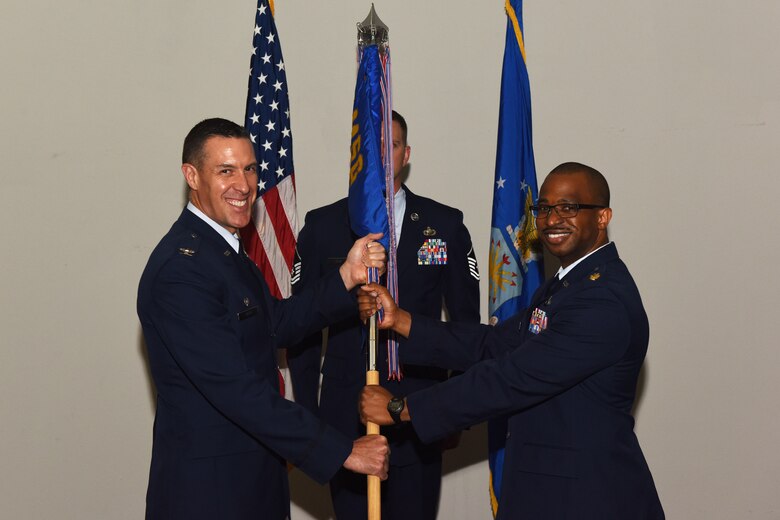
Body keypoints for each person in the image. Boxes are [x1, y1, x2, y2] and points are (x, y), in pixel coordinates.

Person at [359, 162, 665, 519]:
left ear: (602, 216)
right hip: (546, 491)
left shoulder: (602, 300)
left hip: (588, 497)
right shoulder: (567, 285)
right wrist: (401, 320)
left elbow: (510, 378)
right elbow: (493, 344)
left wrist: (401, 408)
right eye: (544, 208)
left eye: (568, 207)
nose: (552, 219)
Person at [137, 118, 389, 520]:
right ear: (192, 176)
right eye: (226, 171)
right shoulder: (181, 271)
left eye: (250, 169)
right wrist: (341, 450)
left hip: (252, 481)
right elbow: (235, 389)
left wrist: (346, 276)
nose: (243, 185)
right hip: (210, 496)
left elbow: (276, 322)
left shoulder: (221, 251)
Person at [287, 110, 480, 519]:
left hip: (418, 410)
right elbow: (301, 330)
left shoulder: (444, 225)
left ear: (406, 154)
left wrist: (455, 411)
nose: (381, 157)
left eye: (390, 145)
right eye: (371, 148)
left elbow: (466, 326)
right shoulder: (322, 226)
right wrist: (308, 418)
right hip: (344, 418)